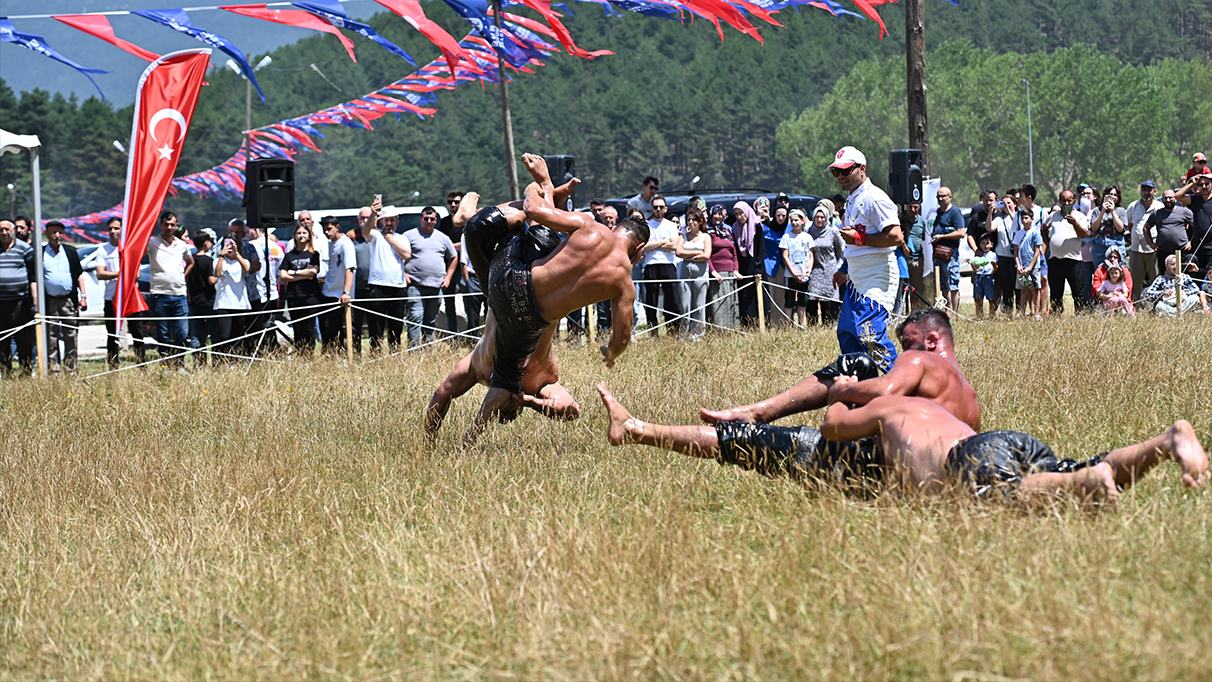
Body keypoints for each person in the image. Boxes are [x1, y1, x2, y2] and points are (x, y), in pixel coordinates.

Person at [606, 308, 980, 482]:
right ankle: (757, 412)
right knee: (860, 365)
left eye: (908, 344)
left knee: (746, 439)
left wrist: (843, 391)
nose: (903, 355)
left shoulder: (923, 359)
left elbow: (886, 388)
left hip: (865, 465)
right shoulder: (970, 402)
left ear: (933, 340)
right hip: (904, 477)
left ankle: (637, 429)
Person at [457, 153, 647, 442]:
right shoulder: (624, 284)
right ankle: (472, 436)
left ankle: (474, 217)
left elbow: (535, 210)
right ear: (639, 248)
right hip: (531, 315)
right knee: (506, 380)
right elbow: (621, 338)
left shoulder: (591, 226)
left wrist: (534, 188)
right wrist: (610, 352)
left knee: (528, 225)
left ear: (616, 227)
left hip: (512, 279)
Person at [817, 395, 1205, 502]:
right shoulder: (932, 407)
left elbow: (832, 429)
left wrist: (840, 396)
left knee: (1005, 496)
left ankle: (1085, 481)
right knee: (1070, 471)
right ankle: (1165, 442)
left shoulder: (886, 406)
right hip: (1003, 441)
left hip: (967, 457)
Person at [828, 146, 903, 372]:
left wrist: (859, 238)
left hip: (877, 276)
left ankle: (901, 383)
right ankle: (861, 385)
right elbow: (854, 241)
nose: (841, 176)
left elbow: (896, 237)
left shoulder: (874, 198)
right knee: (848, 333)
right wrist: (844, 268)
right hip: (856, 278)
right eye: (836, 172)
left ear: (862, 169)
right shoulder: (852, 198)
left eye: (846, 170)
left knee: (871, 336)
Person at [360, 201, 412, 353]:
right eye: (387, 220)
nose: (389, 223)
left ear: (397, 222)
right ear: (381, 221)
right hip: (378, 286)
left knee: (396, 327)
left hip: (398, 287)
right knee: (376, 327)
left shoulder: (402, 238)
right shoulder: (375, 236)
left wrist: (390, 239)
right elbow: (365, 231)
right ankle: (375, 355)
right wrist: (373, 213)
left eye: (392, 220)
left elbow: (407, 255)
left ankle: (394, 355)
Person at [403, 207, 458, 346]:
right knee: (415, 317)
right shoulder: (408, 235)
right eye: (426, 218)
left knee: (430, 320)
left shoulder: (442, 238)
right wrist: (403, 274)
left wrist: (448, 277)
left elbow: (454, 256)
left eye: (432, 219)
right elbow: (398, 256)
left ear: (436, 220)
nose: (429, 221)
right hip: (415, 285)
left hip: (436, 286)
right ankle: (414, 350)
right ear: (420, 219)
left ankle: (427, 349)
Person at [146, 211, 194, 370]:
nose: (169, 227)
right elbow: (137, 253)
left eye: (172, 225)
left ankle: (180, 364)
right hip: (159, 294)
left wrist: (182, 276)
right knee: (163, 334)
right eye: (166, 224)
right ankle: (165, 365)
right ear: (161, 225)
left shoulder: (182, 245)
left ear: (176, 226)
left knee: (182, 332)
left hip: (179, 295)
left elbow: (191, 262)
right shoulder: (152, 243)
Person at [38, 221, 86, 374]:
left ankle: (71, 369)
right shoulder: (40, 252)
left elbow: (79, 275)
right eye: (54, 232)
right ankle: (54, 370)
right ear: (46, 234)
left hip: (68, 300)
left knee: (71, 334)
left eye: (60, 232)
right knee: (50, 335)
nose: (57, 235)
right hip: (49, 300)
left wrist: (83, 296)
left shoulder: (70, 251)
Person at [1041, 190, 1091, 315]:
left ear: (1074, 201)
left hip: (1074, 261)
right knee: (1056, 292)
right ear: (1059, 201)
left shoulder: (1080, 216)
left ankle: (1080, 315)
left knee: (1078, 292)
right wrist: (1047, 241)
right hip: (1055, 260)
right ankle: (1056, 315)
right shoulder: (1054, 216)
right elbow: (1043, 228)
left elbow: (1083, 235)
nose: (1066, 203)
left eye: (1069, 201)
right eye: (1064, 200)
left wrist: (1074, 223)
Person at [641, 194, 682, 336]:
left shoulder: (671, 225)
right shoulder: (646, 225)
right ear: (652, 208)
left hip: (668, 264)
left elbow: (674, 246)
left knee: (672, 300)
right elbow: (645, 245)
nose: (658, 209)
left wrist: (654, 244)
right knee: (651, 301)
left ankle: (673, 332)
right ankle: (653, 333)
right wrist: (664, 241)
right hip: (651, 264)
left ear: (666, 208)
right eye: (655, 207)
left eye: (661, 207)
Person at [279, 223, 323, 355]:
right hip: (293, 296)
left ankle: (309, 355)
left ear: (309, 236)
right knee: (298, 328)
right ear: (294, 236)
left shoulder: (314, 254)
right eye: (299, 233)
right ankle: (300, 354)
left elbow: (313, 272)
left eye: (304, 233)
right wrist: (303, 274)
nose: (301, 235)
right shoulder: (289, 256)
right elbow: (283, 276)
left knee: (309, 327)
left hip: (310, 296)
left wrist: (293, 273)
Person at [0, 219, 36, 377]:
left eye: (7, 229)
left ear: (13, 230)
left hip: (21, 301)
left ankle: (26, 371)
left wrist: (35, 299)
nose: (4, 233)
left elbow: (33, 275)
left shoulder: (24, 249)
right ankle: (4, 371)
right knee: (3, 338)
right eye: (1, 230)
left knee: (24, 339)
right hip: (1, 302)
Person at [211, 231, 253, 362]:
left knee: (237, 336)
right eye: (227, 244)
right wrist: (221, 255)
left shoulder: (243, 261)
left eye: (232, 244)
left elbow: (247, 269)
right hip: (223, 303)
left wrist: (237, 253)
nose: (229, 247)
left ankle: (235, 361)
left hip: (240, 303)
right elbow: (217, 274)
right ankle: (221, 360)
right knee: (224, 335)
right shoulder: (218, 261)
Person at [319, 216, 356, 354]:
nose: (327, 232)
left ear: (337, 227)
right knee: (328, 329)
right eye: (324, 230)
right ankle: (331, 357)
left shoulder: (346, 243)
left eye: (329, 229)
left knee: (343, 330)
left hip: (340, 294)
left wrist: (346, 292)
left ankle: (345, 356)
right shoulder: (329, 243)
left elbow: (350, 268)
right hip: (328, 291)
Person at [675, 207, 712, 339]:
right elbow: (678, 252)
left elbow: (706, 255)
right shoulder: (683, 236)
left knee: (699, 306)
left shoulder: (706, 236)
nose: (690, 222)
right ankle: (684, 334)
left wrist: (688, 256)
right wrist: (697, 253)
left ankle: (698, 334)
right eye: (688, 220)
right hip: (685, 275)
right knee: (685, 306)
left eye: (693, 220)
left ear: (700, 221)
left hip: (701, 275)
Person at [806, 204, 844, 325]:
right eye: (817, 217)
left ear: (826, 218)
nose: (819, 220)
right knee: (812, 299)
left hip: (829, 270)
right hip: (814, 269)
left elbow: (839, 250)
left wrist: (831, 262)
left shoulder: (832, 232)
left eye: (822, 217)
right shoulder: (808, 232)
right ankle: (812, 326)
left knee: (827, 301)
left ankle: (827, 326)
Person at [184, 228, 217, 366]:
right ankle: (216, 360)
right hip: (209, 301)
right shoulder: (208, 261)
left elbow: (187, 280)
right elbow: (211, 280)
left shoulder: (191, 260)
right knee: (214, 333)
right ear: (205, 243)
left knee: (196, 334)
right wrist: (218, 276)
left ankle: (198, 362)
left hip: (195, 301)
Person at [931, 186, 966, 315]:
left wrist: (942, 237)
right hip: (938, 253)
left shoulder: (955, 212)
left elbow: (961, 233)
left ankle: (954, 314)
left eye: (943, 196)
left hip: (950, 253)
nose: (940, 199)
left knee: (952, 283)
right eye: (938, 196)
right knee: (944, 285)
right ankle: (947, 312)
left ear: (950, 197)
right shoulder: (938, 212)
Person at [1125, 181, 1162, 300]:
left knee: (1156, 280)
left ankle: (1157, 305)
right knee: (1135, 281)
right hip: (1136, 249)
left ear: (1155, 191)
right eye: (1144, 189)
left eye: (1149, 190)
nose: (1146, 192)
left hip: (1153, 250)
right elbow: (1129, 226)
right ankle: (1135, 305)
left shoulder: (1160, 207)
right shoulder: (1133, 206)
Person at [95, 217, 123, 369]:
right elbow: (100, 274)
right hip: (110, 297)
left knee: (137, 333)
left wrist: (116, 274)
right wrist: (121, 274)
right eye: (110, 228)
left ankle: (142, 365)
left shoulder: (128, 248)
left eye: (116, 228)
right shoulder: (103, 250)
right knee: (112, 334)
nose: (113, 231)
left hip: (128, 297)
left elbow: (136, 274)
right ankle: (113, 367)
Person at [1144, 188, 1194, 274]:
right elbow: (1146, 228)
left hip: (1182, 250)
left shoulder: (1185, 212)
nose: (1168, 200)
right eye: (1165, 198)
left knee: (1182, 276)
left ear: (1175, 198)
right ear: (1162, 199)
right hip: (1163, 251)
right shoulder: (1157, 213)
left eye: (1170, 197)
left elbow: (1196, 227)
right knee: (1165, 276)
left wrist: (1191, 242)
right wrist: (1151, 244)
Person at [779, 208, 815, 327]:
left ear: (802, 220)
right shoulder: (786, 237)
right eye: (792, 220)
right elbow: (785, 256)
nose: (794, 223)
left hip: (804, 274)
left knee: (802, 301)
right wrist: (794, 273)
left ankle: (802, 326)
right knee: (789, 301)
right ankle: (787, 326)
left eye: (796, 220)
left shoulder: (807, 237)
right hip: (791, 275)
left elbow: (810, 256)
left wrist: (808, 272)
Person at [706, 204, 739, 330]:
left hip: (731, 273)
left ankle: (732, 330)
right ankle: (720, 331)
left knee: (731, 302)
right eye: (715, 214)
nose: (717, 216)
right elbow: (707, 255)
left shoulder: (727, 230)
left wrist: (735, 270)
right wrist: (713, 271)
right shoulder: (708, 231)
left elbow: (734, 253)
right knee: (719, 303)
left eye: (720, 214)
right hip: (718, 273)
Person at [437, 190, 466, 337]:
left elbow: (467, 244)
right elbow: (440, 243)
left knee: (470, 303)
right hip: (447, 267)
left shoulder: (468, 221)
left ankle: (471, 337)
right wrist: (455, 247)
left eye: (456, 202)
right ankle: (454, 337)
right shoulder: (444, 222)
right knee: (449, 305)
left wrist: (449, 247)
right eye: (450, 202)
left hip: (464, 267)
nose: (453, 205)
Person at [1142, 254, 1208, 316]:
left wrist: (1185, 292)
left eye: (1177, 263)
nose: (1176, 266)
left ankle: (1175, 314)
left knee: (1195, 298)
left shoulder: (1185, 277)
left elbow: (1196, 290)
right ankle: (1179, 314)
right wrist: (1163, 293)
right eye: (1172, 264)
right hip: (1167, 304)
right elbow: (1148, 293)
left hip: (1183, 303)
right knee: (1159, 306)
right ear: (1167, 266)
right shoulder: (1161, 279)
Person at [1175, 171, 1212, 272]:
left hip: (1210, 243)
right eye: (1201, 184)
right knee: (1195, 270)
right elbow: (1178, 196)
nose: (1204, 187)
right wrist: (1193, 183)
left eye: (1207, 184)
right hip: (1197, 242)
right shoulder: (1196, 199)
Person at [732, 200, 763, 326]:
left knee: (756, 295)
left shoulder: (756, 225)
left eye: (741, 213)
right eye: (736, 214)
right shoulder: (735, 227)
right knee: (744, 296)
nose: (739, 217)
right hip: (742, 267)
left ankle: (759, 324)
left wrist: (758, 266)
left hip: (755, 266)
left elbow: (760, 248)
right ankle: (747, 324)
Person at [990, 193, 1019, 318]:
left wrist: (1010, 211)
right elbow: (990, 227)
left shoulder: (1018, 216)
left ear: (1015, 204)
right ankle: (1008, 312)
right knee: (1006, 286)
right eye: (1003, 203)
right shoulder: (999, 219)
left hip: (1016, 257)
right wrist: (990, 213)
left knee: (1017, 286)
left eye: (1009, 203)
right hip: (1003, 256)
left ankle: (1020, 311)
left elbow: (1019, 226)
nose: (1006, 205)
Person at [1015, 208, 1046, 318]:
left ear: (1032, 219)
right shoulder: (1018, 233)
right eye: (1022, 218)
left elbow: (1037, 251)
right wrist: (1018, 265)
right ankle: (1022, 312)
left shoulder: (1035, 233)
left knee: (1035, 290)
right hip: (1021, 266)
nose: (1024, 220)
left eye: (1026, 218)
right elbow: (1015, 250)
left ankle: (1036, 312)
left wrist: (1030, 266)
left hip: (1033, 266)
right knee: (1023, 290)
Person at [902, 202, 931, 313]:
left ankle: (914, 313)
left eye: (916, 207)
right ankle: (902, 312)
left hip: (918, 259)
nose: (913, 210)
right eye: (910, 207)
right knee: (902, 289)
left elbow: (922, 238)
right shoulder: (901, 220)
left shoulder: (921, 221)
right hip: (904, 259)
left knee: (916, 289)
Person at [1090, 185, 1128, 268]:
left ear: (1118, 197)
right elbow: (1094, 228)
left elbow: (1120, 229)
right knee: (1100, 271)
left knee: (1115, 270)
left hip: (1116, 243)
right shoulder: (1097, 210)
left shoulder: (1121, 211)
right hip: (1100, 245)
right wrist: (1103, 211)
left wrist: (1112, 211)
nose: (1112, 197)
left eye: (1115, 195)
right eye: (1110, 194)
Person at [967, 234, 997, 319]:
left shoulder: (993, 255)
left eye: (987, 243)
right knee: (978, 297)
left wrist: (994, 264)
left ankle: (992, 315)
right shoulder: (978, 255)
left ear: (991, 245)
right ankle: (979, 316)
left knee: (991, 298)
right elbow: (976, 270)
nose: (985, 245)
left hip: (989, 277)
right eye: (983, 243)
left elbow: (996, 269)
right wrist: (972, 264)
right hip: (979, 277)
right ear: (979, 244)